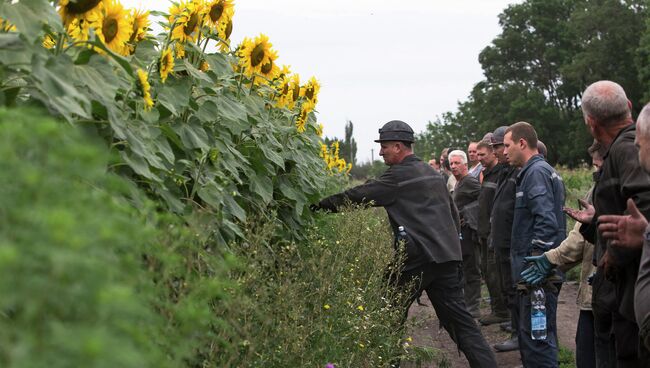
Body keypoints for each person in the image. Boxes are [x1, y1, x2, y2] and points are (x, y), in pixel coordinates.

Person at [312, 120, 497, 368]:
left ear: (398, 147)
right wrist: (454, 252)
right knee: (461, 323)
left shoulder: (396, 177)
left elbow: (357, 195)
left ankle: (388, 363)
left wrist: (317, 207)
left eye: (385, 147)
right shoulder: (432, 174)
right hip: (447, 258)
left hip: (416, 259)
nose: (380, 152)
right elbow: (452, 214)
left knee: (387, 316)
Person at [570, 81, 650, 368]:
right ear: (629, 106)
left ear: (591, 123)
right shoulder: (623, 148)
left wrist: (617, 253)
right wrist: (596, 224)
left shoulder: (627, 148)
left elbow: (644, 205)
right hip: (624, 295)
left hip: (635, 296)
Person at [521, 141, 606, 368]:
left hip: (611, 293)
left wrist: (549, 259)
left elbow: (565, 233)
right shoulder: (598, 189)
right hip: (598, 293)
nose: (596, 171)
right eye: (594, 167)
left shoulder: (613, 189)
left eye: (599, 166)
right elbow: (581, 238)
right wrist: (552, 260)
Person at [503, 121, 566, 367]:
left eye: (507, 145)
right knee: (536, 337)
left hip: (536, 276)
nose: (504, 151)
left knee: (537, 341)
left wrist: (537, 265)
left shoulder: (536, 173)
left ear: (522, 143)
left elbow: (546, 222)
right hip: (536, 273)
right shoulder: (537, 172)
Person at [597, 102, 650, 355]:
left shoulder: (623, 147)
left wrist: (617, 253)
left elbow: (643, 200)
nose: (637, 148)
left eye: (640, 143)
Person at [490, 126, 522, 353]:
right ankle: (516, 328)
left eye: (497, 147)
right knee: (507, 288)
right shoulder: (504, 172)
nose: (495, 152)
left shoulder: (518, 173)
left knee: (515, 289)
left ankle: (519, 335)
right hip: (502, 242)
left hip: (513, 244)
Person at [476, 139, 509, 326]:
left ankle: (502, 311)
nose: (479, 158)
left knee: (495, 273)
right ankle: (497, 309)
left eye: (482, 154)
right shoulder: (487, 174)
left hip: (491, 233)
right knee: (488, 272)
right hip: (483, 232)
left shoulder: (499, 174)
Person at [449, 149, 482, 318]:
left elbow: (485, 198)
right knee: (465, 268)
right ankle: (467, 304)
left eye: (457, 163)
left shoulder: (469, 180)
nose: (453, 166)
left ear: (465, 165)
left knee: (472, 269)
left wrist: (468, 214)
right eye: (451, 164)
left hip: (470, 233)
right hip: (461, 233)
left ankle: (474, 307)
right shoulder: (459, 182)